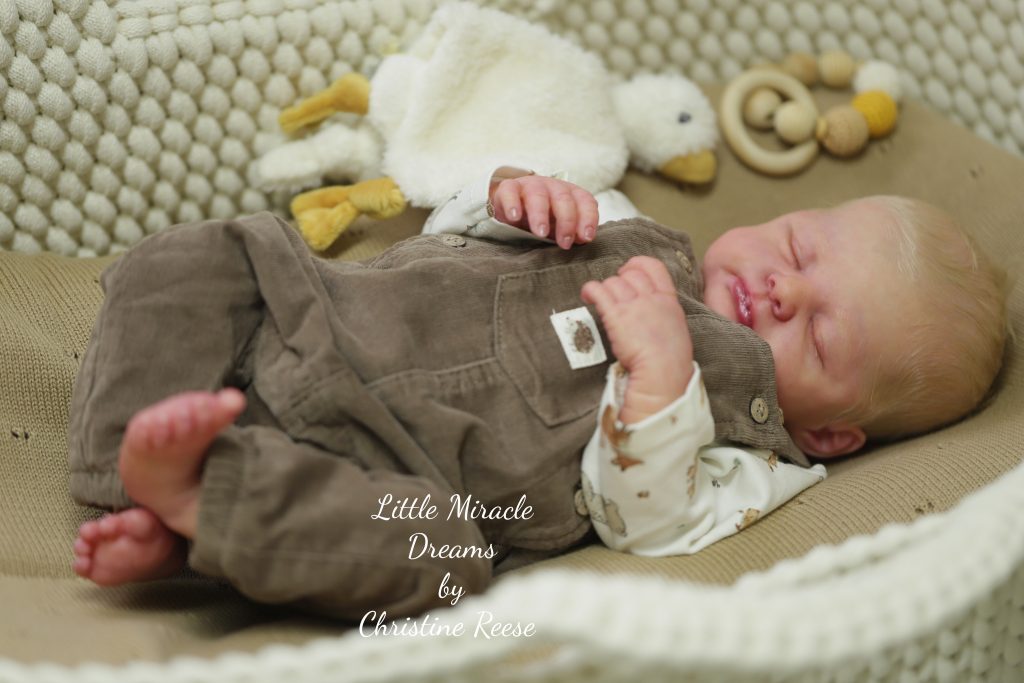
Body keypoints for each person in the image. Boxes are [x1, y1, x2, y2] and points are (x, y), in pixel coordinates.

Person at [68, 168, 1006, 618]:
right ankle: (124, 472)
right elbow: (449, 235)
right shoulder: (628, 225)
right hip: (315, 315)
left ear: (833, 434)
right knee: (198, 257)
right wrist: (513, 199)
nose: (784, 287)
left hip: (401, 474)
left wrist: (662, 380)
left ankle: (202, 500)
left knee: (441, 563)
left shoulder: (755, 459)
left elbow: (650, 522)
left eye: (822, 334)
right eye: (799, 246)